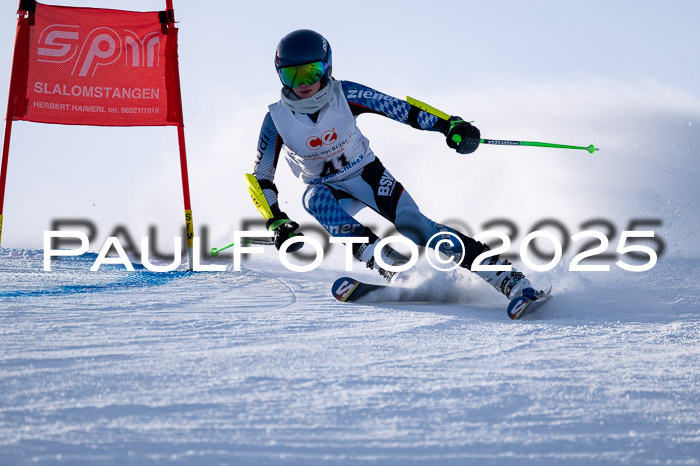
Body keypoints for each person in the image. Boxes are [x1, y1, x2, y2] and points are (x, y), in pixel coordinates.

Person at [252, 29, 539, 301]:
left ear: (326, 68)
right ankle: (394, 268)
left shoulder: (346, 94)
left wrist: (448, 125)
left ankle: (508, 279)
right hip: (326, 189)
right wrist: (276, 220)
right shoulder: (276, 120)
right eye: (292, 75)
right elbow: (262, 176)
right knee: (314, 199)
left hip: (367, 175)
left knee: (416, 227)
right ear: (280, 76)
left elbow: (399, 109)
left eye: (310, 71)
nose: (302, 83)